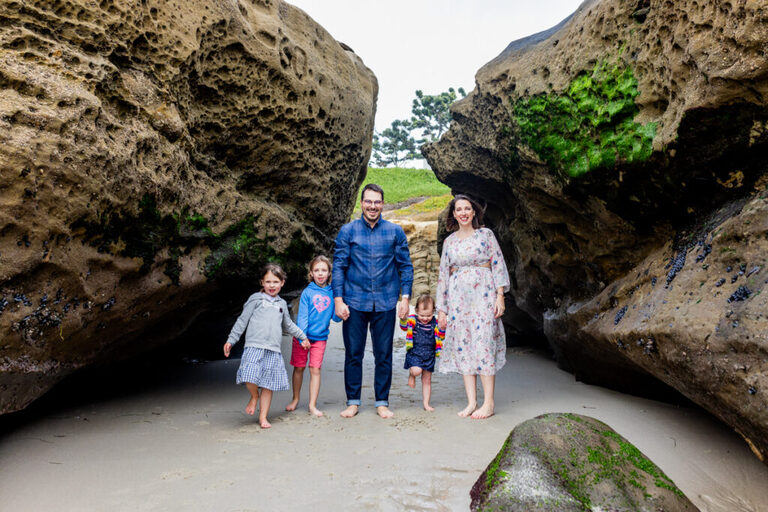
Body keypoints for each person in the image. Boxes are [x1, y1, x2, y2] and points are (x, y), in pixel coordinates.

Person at [333, 183, 413, 419]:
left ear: (383, 204)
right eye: (368, 201)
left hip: (386, 301)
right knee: (354, 354)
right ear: (361, 203)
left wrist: (405, 298)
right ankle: (353, 401)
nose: (373, 206)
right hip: (354, 301)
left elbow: (405, 267)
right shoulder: (348, 231)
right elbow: (339, 266)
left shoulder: (395, 232)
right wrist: (338, 300)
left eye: (377, 202)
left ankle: (381, 402)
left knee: (384, 355)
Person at [436, 194, 509, 419]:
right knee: (464, 345)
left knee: (484, 343)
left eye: (467, 208)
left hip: (484, 296)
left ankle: (488, 403)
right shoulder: (449, 242)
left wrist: (500, 296)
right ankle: (471, 402)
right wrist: (442, 308)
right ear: (454, 214)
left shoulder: (485, 235)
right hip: (459, 301)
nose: (464, 213)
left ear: (474, 212)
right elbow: (443, 277)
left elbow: (497, 263)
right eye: (459, 209)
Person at [223, 263, 308, 429]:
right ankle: (254, 396)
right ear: (262, 282)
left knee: (268, 385)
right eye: (268, 282)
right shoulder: (255, 299)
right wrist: (231, 340)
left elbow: (288, 325)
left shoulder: (282, 304)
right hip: (254, 346)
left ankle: (263, 417)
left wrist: (302, 337)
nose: (272, 285)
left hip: (273, 350)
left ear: (282, 283)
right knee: (249, 375)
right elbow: (242, 321)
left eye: (276, 282)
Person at [285, 255, 341, 417]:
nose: (320, 274)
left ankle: (312, 405)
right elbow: (302, 317)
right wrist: (303, 338)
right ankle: (295, 399)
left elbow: (335, 317)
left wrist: (343, 310)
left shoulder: (332, 293)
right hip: (302, 337)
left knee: (315, 369)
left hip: (320, 339)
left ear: (329, 273)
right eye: (317, 270)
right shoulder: (307, 293)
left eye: (324, 270)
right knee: (299, 368)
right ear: (311, 273)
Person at [399, 294, 444, 411]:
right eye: (422, 315)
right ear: (416, 311)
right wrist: (403, 319)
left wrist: (443, 328)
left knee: (427, 380)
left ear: (433, 311)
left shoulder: (435, 323)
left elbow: (441, 337)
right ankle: (411, 374)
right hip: (415, 353)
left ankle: (426, 403)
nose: (425, 318)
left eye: (429, 315)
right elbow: (404, 327)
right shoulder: (413, 321)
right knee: (416, 370)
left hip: (429, 355)